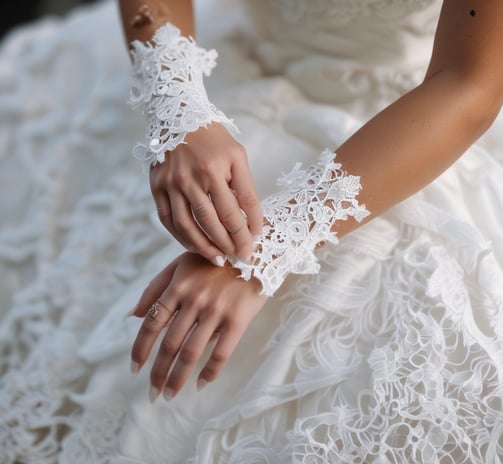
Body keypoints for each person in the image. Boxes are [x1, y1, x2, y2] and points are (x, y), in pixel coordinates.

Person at [1, 0, 503, 462]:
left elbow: (468, 82)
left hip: (405, 128)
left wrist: (264, 250)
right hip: (225, 72)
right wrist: (178, 112)